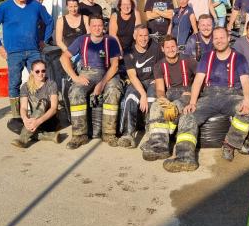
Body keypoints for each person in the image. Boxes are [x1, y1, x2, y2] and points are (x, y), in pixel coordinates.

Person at [163, 26, 249, 172]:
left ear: (228, 38)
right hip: (209, 96)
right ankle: (185, 157)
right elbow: (198, 81)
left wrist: (247, 100)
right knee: (187, 116)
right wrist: (192, 102)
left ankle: (230, 144)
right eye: (216, 38)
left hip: (232, 96)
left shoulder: (239, 58)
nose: (219, 41)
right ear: (212, 40)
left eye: (222, 37)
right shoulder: (207, 57)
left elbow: (245, 82)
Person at [0, 0, 54, 126]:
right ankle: (17, 116)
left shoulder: (35, 6)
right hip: (13, 52)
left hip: (33, 51)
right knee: (14, 83)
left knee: (40, 80)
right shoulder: (4, 7)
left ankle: (40, 113)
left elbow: (49, 21)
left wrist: (44, 40)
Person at [60, 15, 123, 148]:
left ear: (104, 26)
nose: (97, 28)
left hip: (108, 73)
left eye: (100, 25)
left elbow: (115, 65)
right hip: (87, 73)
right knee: (76, 91)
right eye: (94, 25)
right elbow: (63, 58)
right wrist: (75, 77)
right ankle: (79, 135)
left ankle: (109, 134)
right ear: (89, 27)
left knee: (113, 90)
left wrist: (102, 83)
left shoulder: (110, 40)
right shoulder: (82, 40)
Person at [141, 35, 198, 161]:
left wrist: (191, 92)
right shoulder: (159, 66)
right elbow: (160, 89)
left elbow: (200, 78)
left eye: (173, 46)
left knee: (175, 106)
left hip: (186, 93)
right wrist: (162, 99)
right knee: (156, 106)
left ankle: (165, 141)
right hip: (170, 93)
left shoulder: (189, 60)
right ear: (162, 49)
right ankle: (159, 147)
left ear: (177, 48)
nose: (171, 49)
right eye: (167, 47)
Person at [119, 24, 162, 148]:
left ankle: (151, 133)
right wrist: (142, 93)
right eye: (140, 36)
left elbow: (162, 66)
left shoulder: (156, 47)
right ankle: (128, 134)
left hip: (152, 80)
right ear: (135, 36)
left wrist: (158, 80)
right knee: (130, 98)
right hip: (137, 81)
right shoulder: (128, 51)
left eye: (146, 36)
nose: (143, 39)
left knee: (152, 99)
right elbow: (132, 76)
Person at [9, 60, 61, 148]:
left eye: (43, 71)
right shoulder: (25, 86)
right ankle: (50, 136)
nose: (40, 73)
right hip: (33, 120)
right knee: (12, 123)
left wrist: (38, 122)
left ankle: (22, 140)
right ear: (32, 72)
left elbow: (53, 109)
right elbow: (24, 108)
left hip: (48, 121)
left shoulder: (51, 84)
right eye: (37, 71)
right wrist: (25, 119)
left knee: (43, 102)